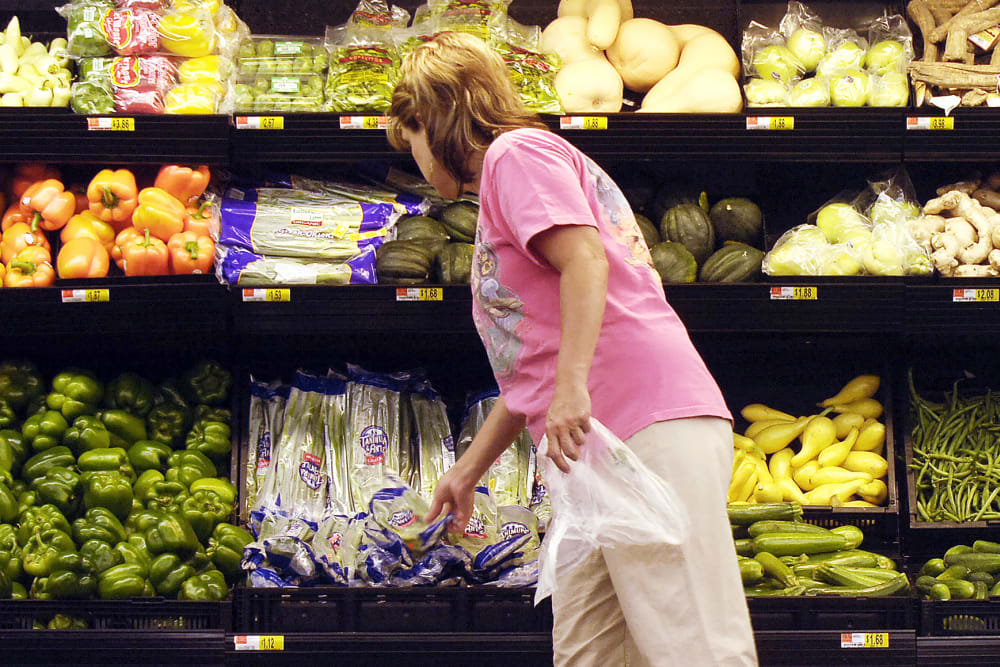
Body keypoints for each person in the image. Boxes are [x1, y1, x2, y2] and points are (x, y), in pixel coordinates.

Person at [387, 31, 757, 667]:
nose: (414, 159)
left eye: (410, 139)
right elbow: (532, 372)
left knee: (692, 641)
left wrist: (573, 388)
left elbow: (586, 260)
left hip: (643, 423)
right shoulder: (511, 176)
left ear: (435, 117)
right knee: (590, 649)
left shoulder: (515, 154)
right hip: (594, 447)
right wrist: (467, 471)